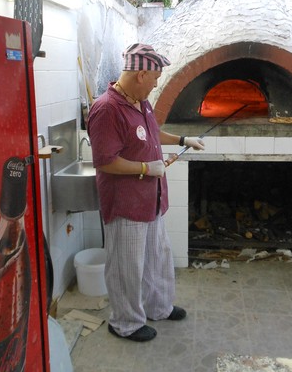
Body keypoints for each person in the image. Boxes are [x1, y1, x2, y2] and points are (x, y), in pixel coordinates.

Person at [87, 43, 205, 342]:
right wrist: (145, 169)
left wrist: (182, 138)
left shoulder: (141, 102)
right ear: (141, 74)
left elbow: (153, 132)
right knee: (127, 266)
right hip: (126, 203)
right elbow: (105, 161)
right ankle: (125, 322)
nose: (155, 85)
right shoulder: (106, 109)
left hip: (151, 200)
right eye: (154, 79)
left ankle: (159, 307)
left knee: (157, 257)